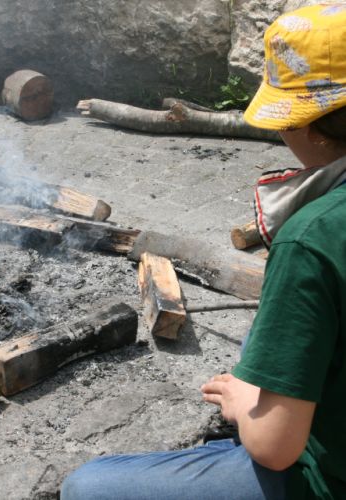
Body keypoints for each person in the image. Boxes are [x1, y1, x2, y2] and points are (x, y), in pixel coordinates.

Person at [60, 4, 346, 499]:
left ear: (307, 124)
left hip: (329, 478)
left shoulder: (312, 238)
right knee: (264, 341)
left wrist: (242, 404)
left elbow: (275, 447)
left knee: (89, 487)